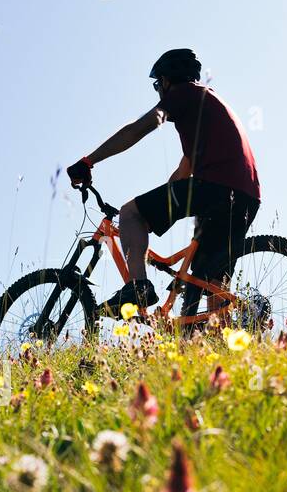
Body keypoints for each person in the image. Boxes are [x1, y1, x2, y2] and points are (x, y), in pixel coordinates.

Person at [66, 48, 260, 325]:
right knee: (207, 284)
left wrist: (88, 161)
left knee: (131, 213)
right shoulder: (207, 104)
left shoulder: (184, 94)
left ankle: (138, 287)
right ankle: (216, 342)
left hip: (216, 188)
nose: (158, 91)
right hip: (246, 196)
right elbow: (184, 171)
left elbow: (137, 129)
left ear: (168, 80)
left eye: (158, 84)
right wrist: (161, 202)